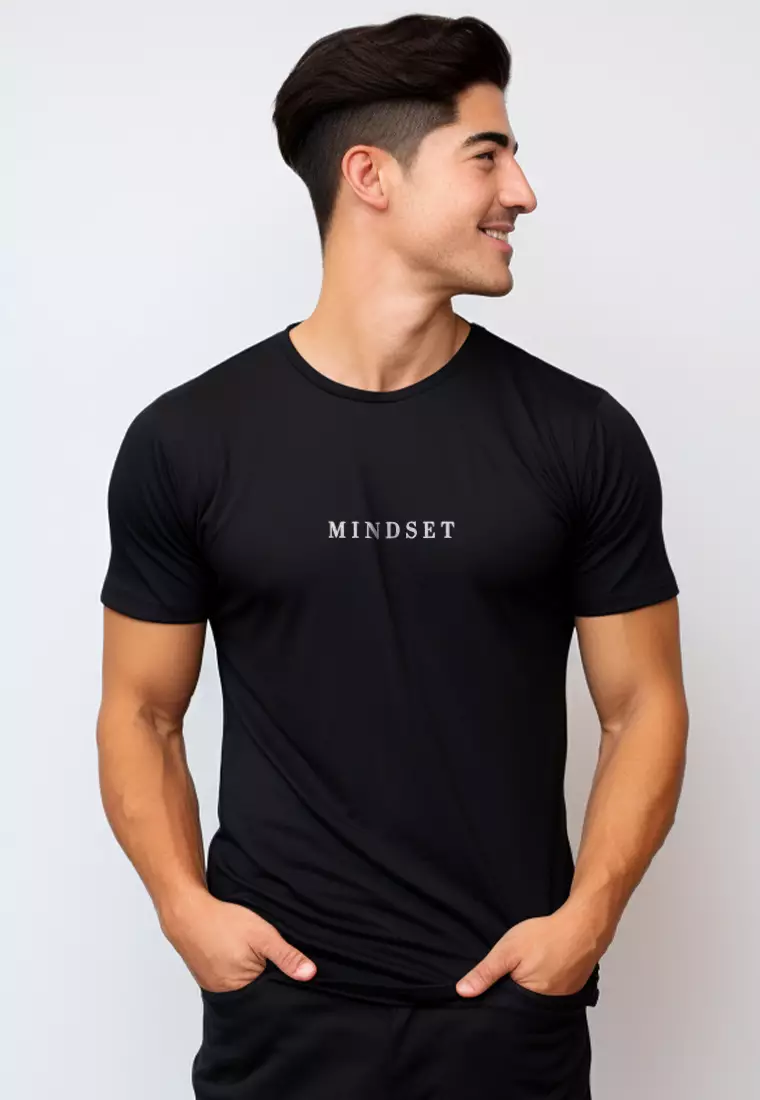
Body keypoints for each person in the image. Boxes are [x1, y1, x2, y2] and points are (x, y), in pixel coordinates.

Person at [96, 13, 689, 1099]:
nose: (522, 192)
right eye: (487, 155)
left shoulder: (579, 434)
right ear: (369, 175)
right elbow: (140, 710)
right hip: (279, 1014)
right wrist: (187, 913)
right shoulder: (188, 441)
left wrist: (584, 925)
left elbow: (643, 703)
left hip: (509, 1013)